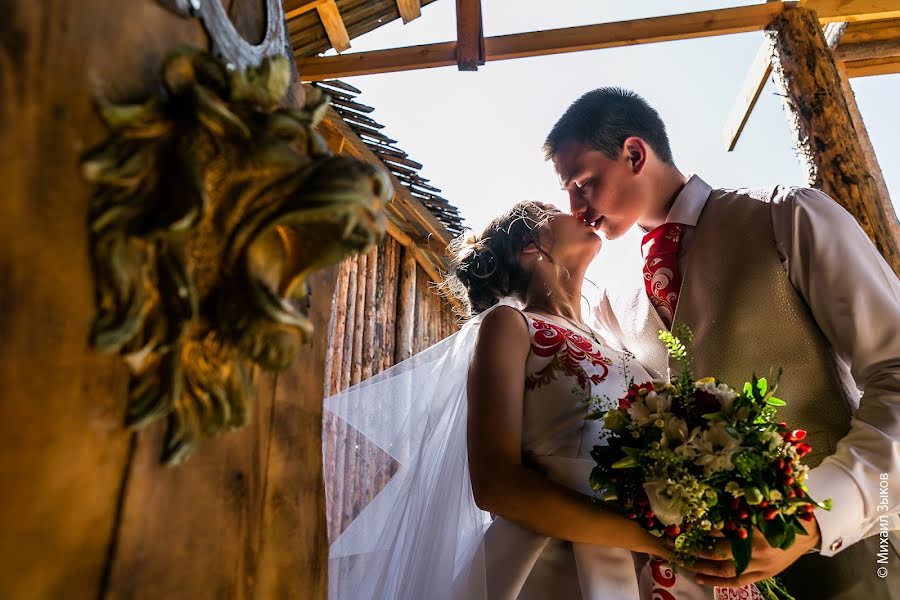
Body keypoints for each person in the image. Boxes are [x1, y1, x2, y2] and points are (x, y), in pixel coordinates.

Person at [543, 86, 900, 600]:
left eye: (583, 184)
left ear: (635, 154)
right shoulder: (610, 307)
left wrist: (814, 515)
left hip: (865, 556)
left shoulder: (788, 216)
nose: (575, 209)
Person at [324, 200, 728, 599]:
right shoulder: (511, 325)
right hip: (565, 569)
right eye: (558, 212)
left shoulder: (618, 345)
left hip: (661, 564)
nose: (581, 212)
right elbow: (496, 485)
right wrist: (654, 539)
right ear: (531, 246)